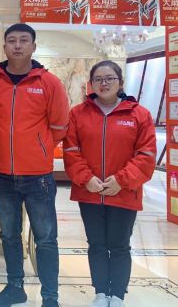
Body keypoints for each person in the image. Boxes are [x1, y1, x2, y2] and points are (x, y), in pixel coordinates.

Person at [0, 23, 69, 307]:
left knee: (45, 238)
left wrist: (39, 148)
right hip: (1, 174)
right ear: (5, 47)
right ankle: (15, 288)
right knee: (9, 235)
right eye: (12, 41)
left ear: (34, 46)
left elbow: (60, 126)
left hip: (38, 177)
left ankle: (50, 297)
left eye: (24, 40)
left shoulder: (49, 82)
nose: (18, 45)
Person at [63, 60, 156, 307]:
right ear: (91, 84)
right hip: (89, 192)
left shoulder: (139, 114)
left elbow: (146, 155)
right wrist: (86, 178)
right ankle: (101, 293)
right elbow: (71, 150)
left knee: (119, 245)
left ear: (120, 82)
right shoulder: (78, 113)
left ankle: (117, 296)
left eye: (109, 78)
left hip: (124, 193)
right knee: (96, 244)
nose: (103, 83)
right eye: (98, 79)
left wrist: (121, 180)